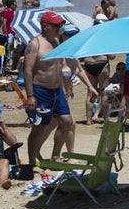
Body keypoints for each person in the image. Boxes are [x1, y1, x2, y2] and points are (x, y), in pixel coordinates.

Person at [22, 11, 97, 167]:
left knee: (67, 122)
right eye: (56, 25)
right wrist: (30, 96)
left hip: (57, 90)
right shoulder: (35, 44)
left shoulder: (56, 41)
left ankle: (56, 155)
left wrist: (85, 86)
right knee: (40, 127)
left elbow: (65, 65)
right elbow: (27, 71)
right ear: (45, 26)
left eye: (60, 25)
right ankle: (32, 162)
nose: (59, 28)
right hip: (40, 90)